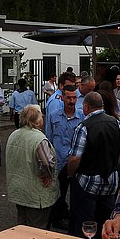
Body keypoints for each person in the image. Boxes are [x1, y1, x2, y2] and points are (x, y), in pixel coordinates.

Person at [67, 92, 120, 239]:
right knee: (105, 222)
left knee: (84, 223)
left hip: (87, 180)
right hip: (110, 180)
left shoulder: (84, 126)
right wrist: (112, 165)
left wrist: (71, 173)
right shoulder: (116, 123)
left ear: (86, 106)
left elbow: (74, 158)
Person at [5, 105, 59, 228]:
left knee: (22, 225)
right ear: (37, 121)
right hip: (36, 192)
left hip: (18, 190)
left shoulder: (14, 135)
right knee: (37, 227)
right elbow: (47, 162)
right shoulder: (39, 139)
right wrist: (48, 175)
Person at [45, 84, 83, 230]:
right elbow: (48, 138)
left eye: (74, 98)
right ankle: (57, 218)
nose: (71, 101)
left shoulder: (82, 117)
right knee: (58, 193)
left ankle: (73, 221)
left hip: (75, 162)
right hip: (59, 162)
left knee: (76, 194)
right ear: (62, 98)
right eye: (68, 98)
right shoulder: (54, 115)